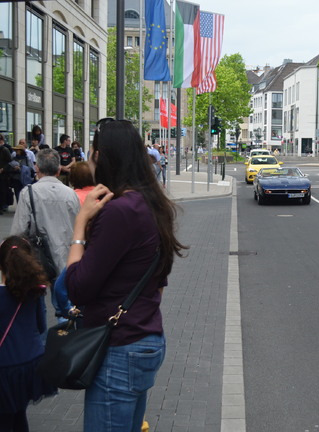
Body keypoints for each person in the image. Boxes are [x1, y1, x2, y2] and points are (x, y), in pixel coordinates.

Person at [65, 118, 187, 432]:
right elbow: (159, 283)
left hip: (118, 349)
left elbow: (76, 288)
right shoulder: (152, 203)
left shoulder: (119, 211)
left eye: (92, 151)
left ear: (101, 157)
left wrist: (80, 225)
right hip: (145, 338)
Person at [0, 236, 57, 431]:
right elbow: (41, 326)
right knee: (18, 414)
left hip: (4, 367)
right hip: (30, 363)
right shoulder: (34, 291)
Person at [10, 149, 80, 295]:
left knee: (37, 300)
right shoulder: (71, 194)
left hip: (39, 257)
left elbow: (18, 231)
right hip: (67, 256)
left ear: (37, 168)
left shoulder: (28, 193)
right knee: (66, 305)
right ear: (59, 169)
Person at [0, 134, 13, 215]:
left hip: (3, 175)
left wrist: (3, 169)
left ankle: (2, 206)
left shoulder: (4, 150)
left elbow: (10, 162)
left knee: (2, 191)